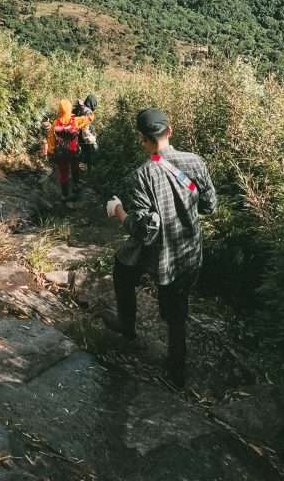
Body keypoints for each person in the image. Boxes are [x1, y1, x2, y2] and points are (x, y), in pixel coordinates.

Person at [103, 107, 217, 388]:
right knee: (177, 311)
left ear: (142, 139)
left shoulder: (142, 175)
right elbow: (210, 206)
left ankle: (128, 329)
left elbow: (145, 231)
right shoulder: (195, 162)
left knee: (123, 269)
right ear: (170, 131)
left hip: (162, 256)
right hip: (190, 252)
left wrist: (118, 211)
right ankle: (176, 370)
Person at [45, 96, 97, 204]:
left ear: (60, 109)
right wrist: (83, 108)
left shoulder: (55, 123)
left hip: (61, 154)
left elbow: (50, 139)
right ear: (69, 109)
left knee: (64, 174)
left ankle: (64, 195)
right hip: (73, 152)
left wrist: (51, 152)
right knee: (75, 168)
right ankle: (76, 185)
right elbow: (91, 117)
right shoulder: (76, 121)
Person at [73, 97, 99, 175]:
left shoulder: (78, 109)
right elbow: (86, 127)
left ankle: (80, 170)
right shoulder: (88, 112)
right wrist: (93, 138)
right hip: (84, 136)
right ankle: (87, 171)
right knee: (88, 153)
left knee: (81, 153)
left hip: (76, 135)